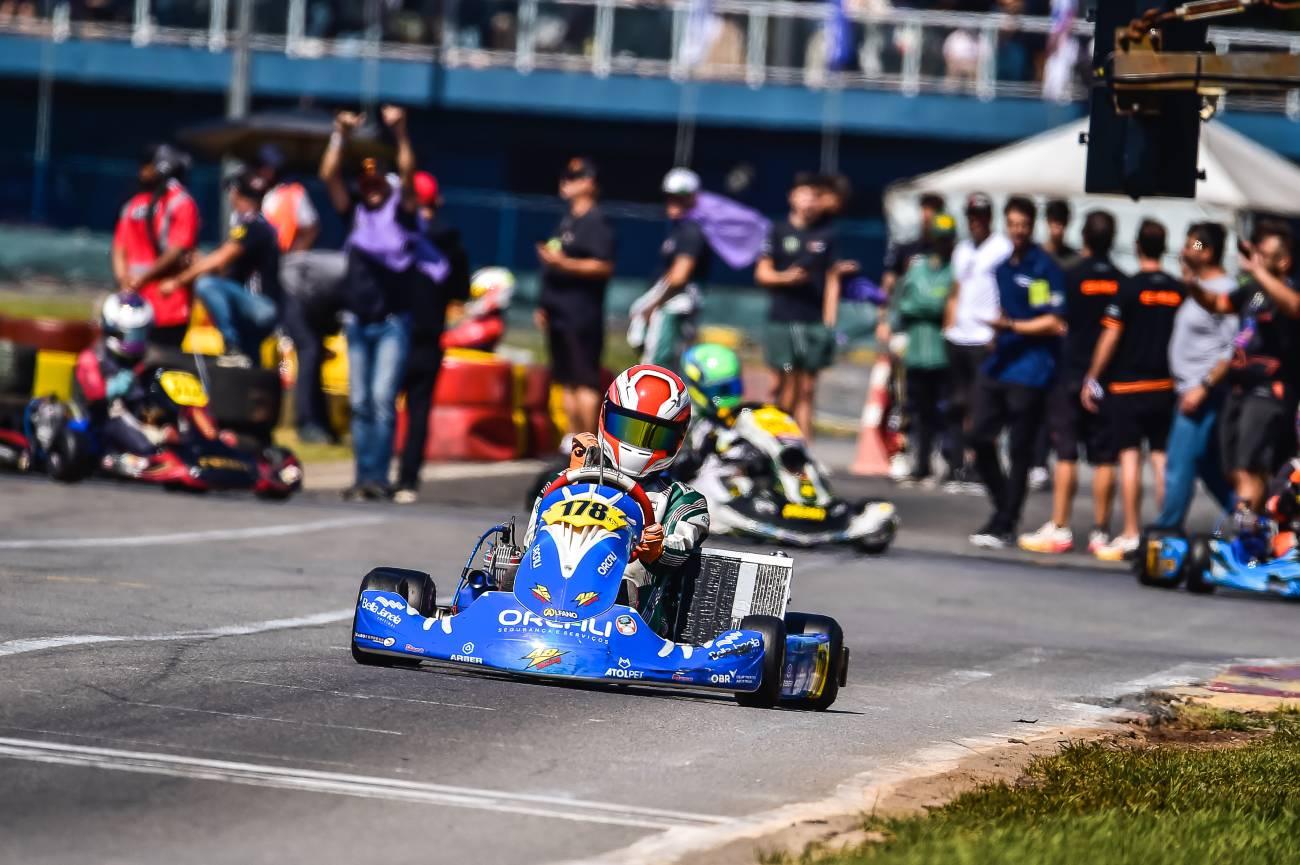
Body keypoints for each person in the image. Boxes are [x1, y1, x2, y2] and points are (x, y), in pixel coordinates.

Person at [524, 364, 708, 637]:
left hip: (635, 610)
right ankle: (512, 599)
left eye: (654, 434)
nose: (638, 444)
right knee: (524, 560)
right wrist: (574, 478)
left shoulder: (682, 499)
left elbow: (680, 547)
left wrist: (657, 550)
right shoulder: (568, 479)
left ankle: (615, 621)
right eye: (628, 427)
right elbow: (532, 539)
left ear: (677, 437)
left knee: (626, 580)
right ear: (607, 417)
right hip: (548, 581)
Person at [321, 105, 436, 501]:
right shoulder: (355, 212)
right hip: (357, 318)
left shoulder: (401, 212)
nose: (369, 186)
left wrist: (401, 133)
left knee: (382, 402)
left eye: (376, 180)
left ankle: (379, 478)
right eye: (364, 180)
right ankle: (362, 475)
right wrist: (340, 134)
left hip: (391, 320)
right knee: (358, 403)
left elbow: (407, 177)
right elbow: (328, 175)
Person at [1180, 219, 1300, 522]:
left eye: (1264, 253)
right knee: (1235, 470)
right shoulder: (1253, 292)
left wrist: (1257, 269)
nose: (1255, 256)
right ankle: (1259, 526)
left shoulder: (1287, 290)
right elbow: (1218, 303)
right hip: (1239, 390)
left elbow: (1295, 307)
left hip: (1269, 391)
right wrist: (1193, 282)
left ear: (1284, 261)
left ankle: (1250, 534)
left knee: (1248, 467)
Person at [1018, 210, 1120, 555]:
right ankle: (1101, 532)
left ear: (1086, 238)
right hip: (1106, 380)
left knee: (1066, 453)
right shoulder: (1123, 280)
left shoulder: (1069, 275)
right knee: (1106, 458)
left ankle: (1060, 527)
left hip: (1070, 374)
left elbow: (1049, 314)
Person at [968, 196, 1066, 549]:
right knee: (978, 436)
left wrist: (1011, 325)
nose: (1019, 232)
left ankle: (1006, 521)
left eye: (1024, 225)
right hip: (1001, 363)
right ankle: (1002, 504)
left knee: (1020, 449)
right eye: (1013, 225)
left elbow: (1052, 321)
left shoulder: (1043, 267)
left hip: (1031, 369)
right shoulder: (1003, 267)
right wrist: (997, 332)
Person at [1081, 220, 1182, 560]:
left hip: (1127, 386)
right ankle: (1169, 530)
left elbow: (1110, 336)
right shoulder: (1177, 289)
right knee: (1161, 459)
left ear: (1137, 247)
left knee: (1129, 459)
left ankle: (1131, 532)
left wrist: (1093, 375)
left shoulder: (1126, 288)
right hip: (1164, 386)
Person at [1151, 222, 1238, 531]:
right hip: (1189, 388)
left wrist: (1204, 386)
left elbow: (1232, 348)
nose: (1186, 251)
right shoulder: (1199, 289)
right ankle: (1249, 520)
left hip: (1200, 392)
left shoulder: (1225, 292)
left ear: (1209, 251)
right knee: (1207, 466)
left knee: (1179, 463)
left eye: (1194, 246)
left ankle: (1166, 529)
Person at [393, 169, 471, 505]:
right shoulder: (452, 242)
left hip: (395, 328)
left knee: (381, 404)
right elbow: (461, 290)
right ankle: (407, 478)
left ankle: (373, 474)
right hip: (429, 330)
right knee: (419, 407)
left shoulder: (396, 234)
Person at [756, 173, 851, 438]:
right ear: (792, 197)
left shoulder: (827, 234)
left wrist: (830, 321)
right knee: (781, 382)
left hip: (812, 321)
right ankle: (773, 438)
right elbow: (762, 272)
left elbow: (832, 278)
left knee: (806, 387)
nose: (809, 201)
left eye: (813, 195)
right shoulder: (777, 230)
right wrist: (786, 278)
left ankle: (804, 447)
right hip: (782, 319)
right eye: (804, 194)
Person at [256, 142, 340, 444]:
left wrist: (293, 255)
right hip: (262, 282)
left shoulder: (292, 194)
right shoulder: (254, 196)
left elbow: (310, 226)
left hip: (288, 279)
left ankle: (307, 420)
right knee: (279, 349)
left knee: (304, 347)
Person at [536, 157, 616, 448]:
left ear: (589, 183)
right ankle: (572, 439)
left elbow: (603, 266)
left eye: (574, 178)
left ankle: (589, 441)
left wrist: (564, 263)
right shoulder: (568, 221)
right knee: (565, 378)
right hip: (557, 311)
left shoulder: (596, 221)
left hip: (581, 313)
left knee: (584, 379)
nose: (565, 183)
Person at [166, 168, 281, 368]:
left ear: (236, 194)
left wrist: (177, 281)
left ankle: (231, 344)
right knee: (249, 369)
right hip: (254, 311)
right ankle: (243, 364)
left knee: (206, 284)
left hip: (261, 307)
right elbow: (225, 265)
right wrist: (199, 261)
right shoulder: (259, 225)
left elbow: (219, 260)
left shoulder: (253, 225)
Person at [881, 212, 958, 485]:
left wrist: (930, 306)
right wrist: (930, 307)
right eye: (939, 239)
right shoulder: (917, 268)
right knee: (916, 409)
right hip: (917, 351)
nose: (943, 244)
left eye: (947, 240)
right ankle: (920, 463)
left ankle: (950, 463)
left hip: (943, 353)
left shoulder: (956, 270)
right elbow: (904, 303)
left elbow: (945, 305)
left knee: (946, 411)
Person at [943, 192, 1011, 492]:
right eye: (972, 216)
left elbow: (1006, 292)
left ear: (990, 217)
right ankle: (956, 462)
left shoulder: (1001, 249)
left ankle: (979, 463)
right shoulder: (962, 249)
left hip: (984, 336)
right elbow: (956, 289)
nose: (976, 222)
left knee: (981, 405)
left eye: (981, 216)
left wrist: (999, 333)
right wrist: (949, 324)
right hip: (960, 335)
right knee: (957, 403)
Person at [111, 143, 200, 349]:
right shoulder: (180, 202)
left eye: (146, 166)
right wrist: (134, 280)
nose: (142, 171)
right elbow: (177, 249)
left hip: (151, 301)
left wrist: (125, 280)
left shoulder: (134, 205)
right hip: (164, 301)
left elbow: (118, 249)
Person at [628, 168, 712, 369]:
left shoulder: (691, 231)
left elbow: (679, 276)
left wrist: (652, 303)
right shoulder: (678, 229)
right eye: (671, 197)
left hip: (675, 304)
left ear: (692, 198)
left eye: (680, 198)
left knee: (658, 365)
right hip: (668, 302)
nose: (674, 203)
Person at [72, 293, 163, 464]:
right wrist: (113, 387)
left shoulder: (148, 359)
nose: (136, 341)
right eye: (132, 335)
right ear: (113, 330)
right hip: (105, 417)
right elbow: (94, 396)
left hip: (141, 413)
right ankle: (151, 451)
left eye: (140, 334)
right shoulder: (92, 358)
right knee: (146, 447)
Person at [881, 191, 944, 298]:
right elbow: (889, 277)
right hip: (910, 309)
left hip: (936, 308)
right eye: (925, 209)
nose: (928, 215)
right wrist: (882, 305)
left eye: (933, 210)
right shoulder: (906, 249)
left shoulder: (947, 251)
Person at [1043, 199, 1080, 269]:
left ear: (1067, 222)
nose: (1057, 225)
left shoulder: (1075, 260)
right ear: (1048, 221)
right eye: (1054, 220)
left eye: (1061, 220)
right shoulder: (1034, 255)